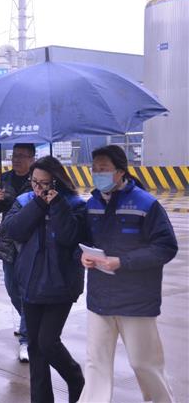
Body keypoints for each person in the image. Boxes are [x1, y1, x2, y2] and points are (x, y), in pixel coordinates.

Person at [78, 145, 177, 403]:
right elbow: (84, 240)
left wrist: (123, 262)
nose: (97, 174)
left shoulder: (146, 204)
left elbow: (166, 247)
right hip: (100, 297)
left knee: (144, 362)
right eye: (94, 169)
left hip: (136, 299)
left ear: (120, 171)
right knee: (95, 362)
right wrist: (83, 256)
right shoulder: (92, 204)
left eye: (103, 169)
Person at [1, 156, 86, 403]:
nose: (37, 187)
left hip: (61, 285)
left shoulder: (74, 204)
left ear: (56, 182)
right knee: (35, 349)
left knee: (47, 342)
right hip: (30, 284)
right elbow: (12, 230)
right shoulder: (25, 201)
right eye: (34, 181)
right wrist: (38, 204)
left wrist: (57, 204)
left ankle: (75, 378)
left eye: (44, 183)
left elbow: (70, 237)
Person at [0, 143, 35, 362]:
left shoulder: (37, 179)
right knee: (12, 288)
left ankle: (26, 339)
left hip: (30, 243)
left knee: (27, 291)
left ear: (32, 158)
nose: (16, 159)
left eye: (21, 156)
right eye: (14, 155)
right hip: (8, 242)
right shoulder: (4, 179)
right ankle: (29, 321)